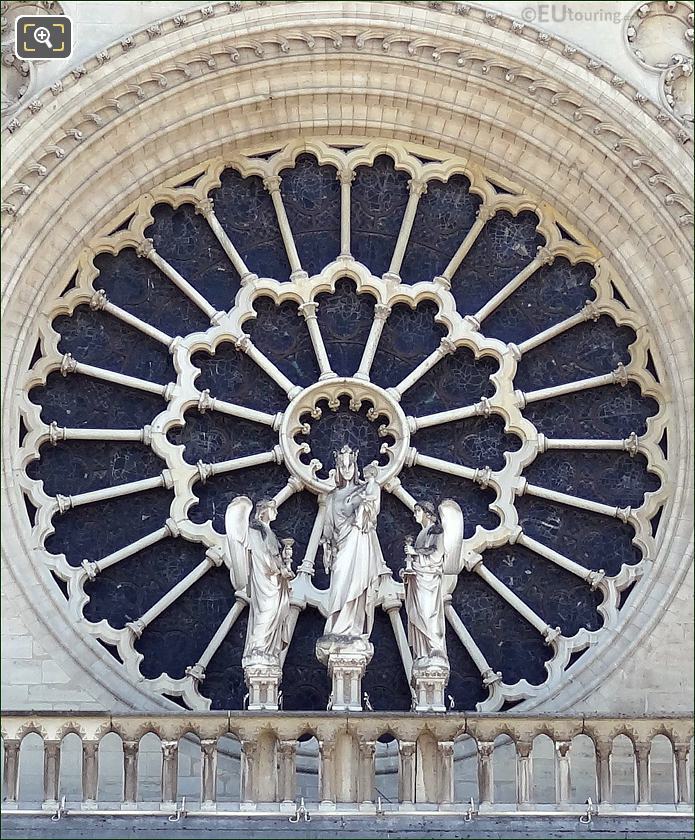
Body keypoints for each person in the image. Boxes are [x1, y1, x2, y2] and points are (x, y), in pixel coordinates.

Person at [321, 447, 389, 639]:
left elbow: (372, 512)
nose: (347, 469)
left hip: (359, 541)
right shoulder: (332, 496)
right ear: (338, 469)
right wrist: (326, 545)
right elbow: (328, 526)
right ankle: (337, 625)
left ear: (355, 466)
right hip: (341, 545)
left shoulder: (365, 488)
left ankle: (353, 627)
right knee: (340, 582)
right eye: (343, 466)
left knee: (357, 583)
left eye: (350, 465)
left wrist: (365, 504)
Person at [402, 501, 447, 663]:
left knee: (428, 613)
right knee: (419, 613)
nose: (415, 514)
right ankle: (422, 651)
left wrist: (415, 552)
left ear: (427, 513)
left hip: (429, 580)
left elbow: (436, 554)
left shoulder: (436, 531)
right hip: (419, 579)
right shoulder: (422, 533)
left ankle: (433, 647)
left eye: (418, 511)